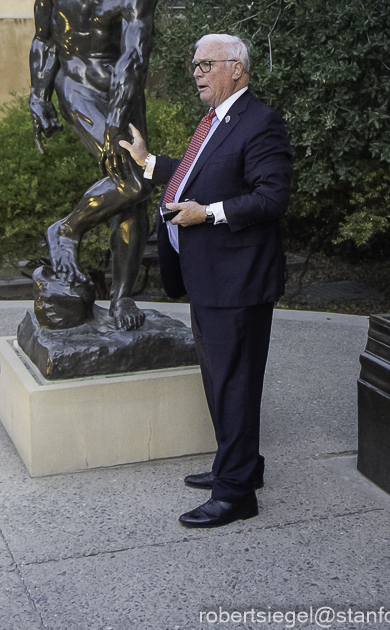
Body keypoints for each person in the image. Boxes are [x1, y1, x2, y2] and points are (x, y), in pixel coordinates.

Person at [120, 33, 293, 528]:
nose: (196, 73)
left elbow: (272, 197)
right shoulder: (216, 122)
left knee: (234, 384)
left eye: (205, 64)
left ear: (236, 68)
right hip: (210, 278)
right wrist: (148, 162)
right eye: (194, 65)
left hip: (238, 281)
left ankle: (235, 494)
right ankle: (240, 466)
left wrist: (208, 213)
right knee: (222, 380)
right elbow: (196, 174)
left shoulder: (260, 122)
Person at [29, 0, 170, 330]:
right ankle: (66, 230)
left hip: (123, 93)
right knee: (134, 181)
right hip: (75, 85)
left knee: (134, 193)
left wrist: (116, 122)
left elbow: (133, 59)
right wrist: (38, 97)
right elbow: (44, 39)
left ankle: (122, 297)